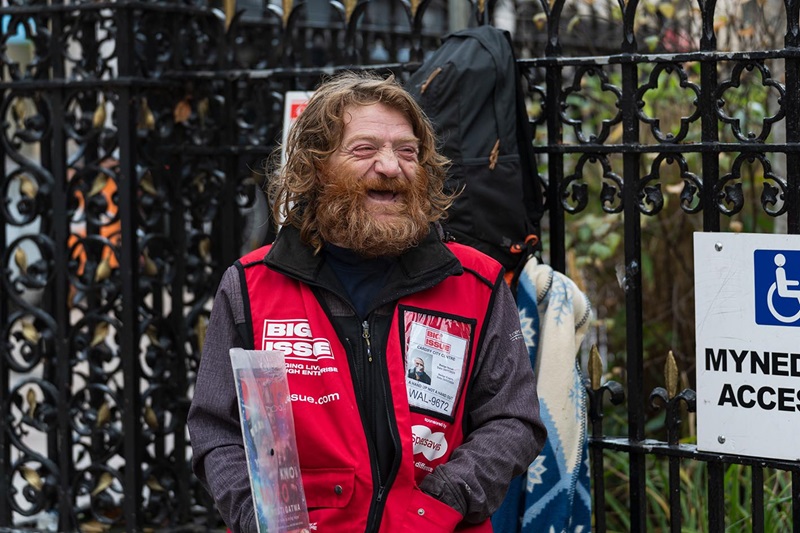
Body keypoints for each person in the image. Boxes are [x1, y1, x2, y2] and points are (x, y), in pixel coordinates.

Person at [187, 71, 546, 533]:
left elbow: (513, 419)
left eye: (407, 151)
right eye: (364, 149)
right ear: (315, 167)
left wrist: (435, 506)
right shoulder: (251, 288)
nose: (391, 167)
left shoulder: (475, 282)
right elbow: (217, 433)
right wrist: (262, 522)